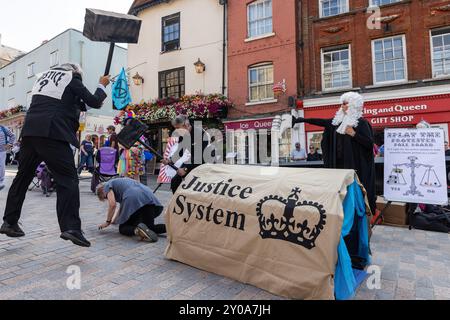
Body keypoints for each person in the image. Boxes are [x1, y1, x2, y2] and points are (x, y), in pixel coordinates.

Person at [0, 63, 110, 247]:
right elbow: (93, 101)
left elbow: (70, 103)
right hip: (52, 132)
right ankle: (71, 227)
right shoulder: (72, 77)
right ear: (76, 72)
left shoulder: (42, 80)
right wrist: (101, 85)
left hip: (30, 132)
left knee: (22, 178)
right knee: (68, 179)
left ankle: (9, 222)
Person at [292, 92, 375, 270]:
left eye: (346, 104)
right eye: (342, 104)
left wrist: (354, 134)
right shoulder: (336, 123)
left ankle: (357, 253)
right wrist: (301, 121)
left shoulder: (362, 124)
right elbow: (322, 122)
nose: (343, 107)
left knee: (355, 213)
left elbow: (369, 145)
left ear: (354, 105)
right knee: (340, 212)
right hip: (338, 176)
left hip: (354, 177)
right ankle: (340, 248)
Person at [96, 178, 166, 242]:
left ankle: (137, 230)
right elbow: (122, 206)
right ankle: (171, 228)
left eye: (105, 197)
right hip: (148, 196)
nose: (107, 198)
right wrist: (114, 220)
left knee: (123, 228)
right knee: (149, 228)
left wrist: (108, 222)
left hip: (133, 197)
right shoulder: (120, 183)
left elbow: (112, 204)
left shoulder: (106, 185)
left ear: (102, 191)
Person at [162, 115, 209, 194]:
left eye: (178, 128)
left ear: (186, 125)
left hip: (204, 161)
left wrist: (185, 169)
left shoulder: (200, 134)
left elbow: (199, 156)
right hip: (192, 160)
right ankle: (177, 202)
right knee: (175, 181)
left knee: (197, 184)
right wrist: (170, 160)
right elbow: (180, 151)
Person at [0, 125, 16, 191]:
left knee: (1, 166)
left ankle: (0, 182)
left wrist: (9, 144)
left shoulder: (3, 128)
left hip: (1, 150)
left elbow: (13, 136)